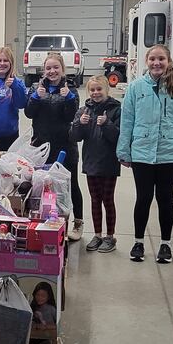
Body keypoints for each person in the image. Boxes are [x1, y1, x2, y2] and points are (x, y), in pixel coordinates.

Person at [116, 44, 173, 264]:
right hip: (142, 152)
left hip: (169, 153)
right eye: (152, 59)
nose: (157, 63)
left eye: (161, 59)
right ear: (146, 61)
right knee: (143, 198)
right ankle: (138, 242)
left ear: (168, 60)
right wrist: (124, 151)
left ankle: (165, 244)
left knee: (165, 199)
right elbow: (127, 121)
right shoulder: (135, 88)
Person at [24, 53, 85, 240]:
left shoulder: (71, 89)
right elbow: (28, 113)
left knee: (70, 183)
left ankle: (78, 222)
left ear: (62, 69)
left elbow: (71, 117)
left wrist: (68, 99)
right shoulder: (36, 88)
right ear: (44, 70)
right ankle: (44, 220)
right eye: (48, 68)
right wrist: (35, 97)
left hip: (65, 145)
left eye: (56, 67)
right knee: (42, 184)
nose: (52, 71)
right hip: (41, 145)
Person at [70, 76, 122, 253]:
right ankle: (98, 234)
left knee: (108, 200)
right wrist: (79, 124)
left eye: (99, 89)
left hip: (109, 163)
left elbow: (118, 137)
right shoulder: (84, 110)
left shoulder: (115, 110)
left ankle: (110, 236)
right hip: (91, 161)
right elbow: (74, 137)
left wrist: (107, 124)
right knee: (95, 200)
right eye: (92, 90)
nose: (96, 93)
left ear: (107, 90)